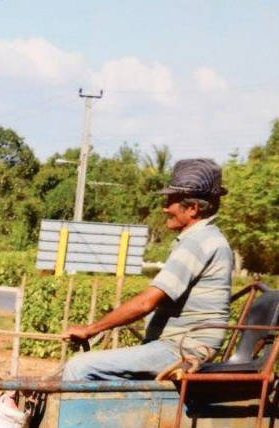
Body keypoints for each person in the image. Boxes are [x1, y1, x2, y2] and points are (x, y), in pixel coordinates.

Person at [62, 158, 233, 381]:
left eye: (171, 200)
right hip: (175, 346)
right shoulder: (205, 238)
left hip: (181, 350)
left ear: (192, 208)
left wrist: (91, 329)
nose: (165, 207)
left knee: (79, 367)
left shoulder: (198, 242)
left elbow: (146, 302)